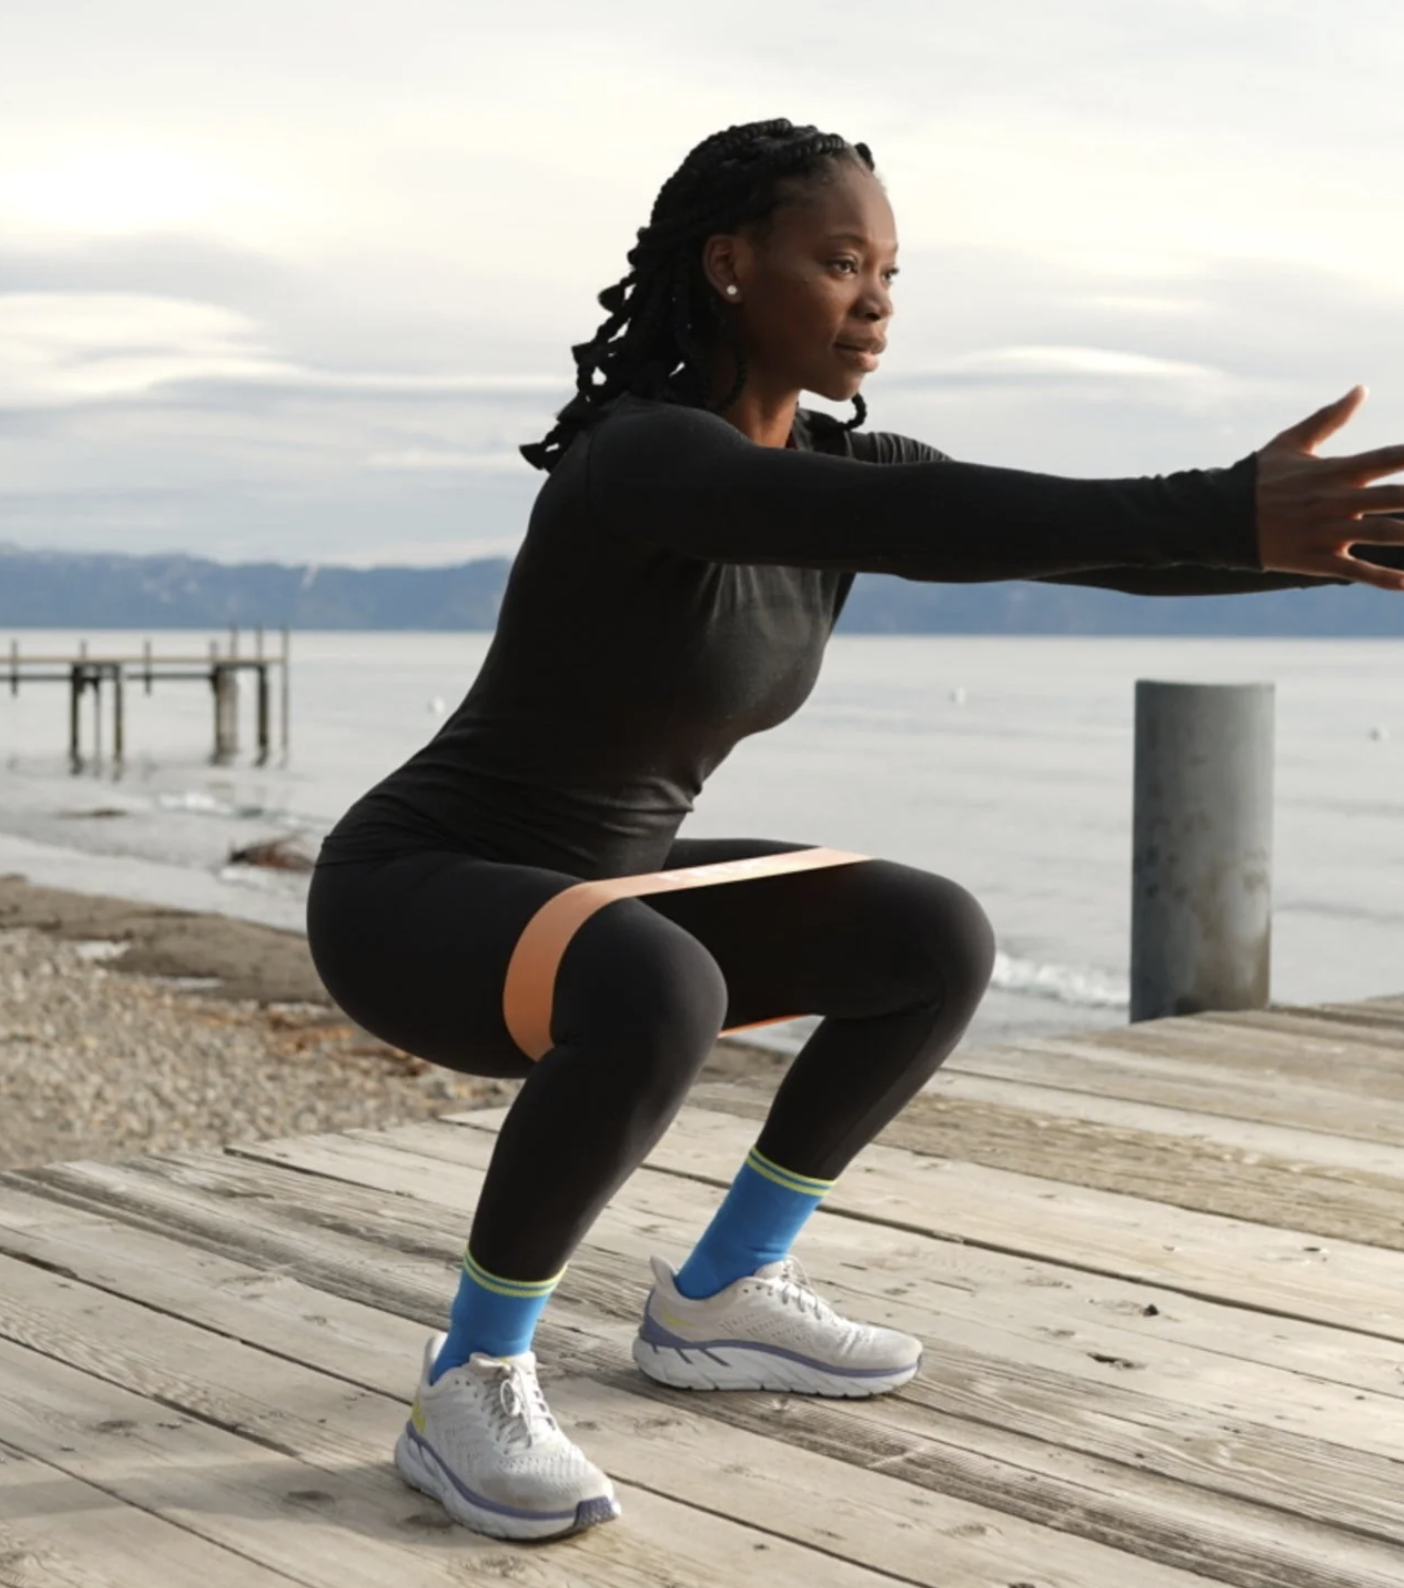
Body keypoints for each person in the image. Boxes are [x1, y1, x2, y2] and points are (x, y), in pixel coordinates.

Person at [305, 118, 1404, 1543]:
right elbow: (945, 518)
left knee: (926, 933)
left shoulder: (841, 471)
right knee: (658, 981)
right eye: (837, 262)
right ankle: (470, 1383)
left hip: (596, 895)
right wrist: (1226, 504)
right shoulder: (646, 461)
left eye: (889, 269)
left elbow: (1096, 546)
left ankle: (719, 1300)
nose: (875, 299)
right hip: (416, 897)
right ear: (728, 265)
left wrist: (1349, 552)